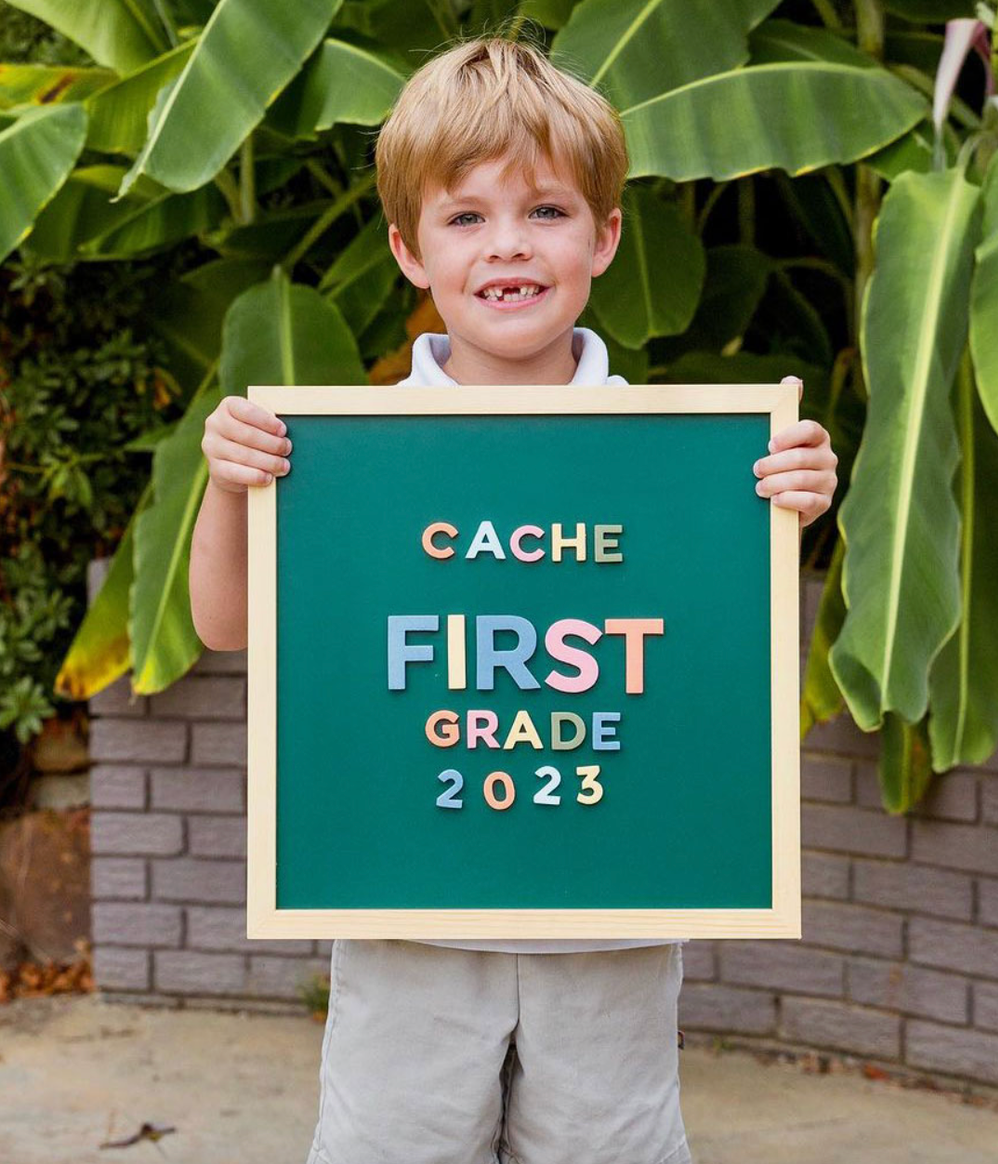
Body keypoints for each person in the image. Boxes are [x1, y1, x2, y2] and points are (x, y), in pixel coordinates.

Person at [190, 33, 838, 1164]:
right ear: (409, 249)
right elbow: (227, 626)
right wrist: (229, 487)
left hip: (611, 930)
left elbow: (706, 650)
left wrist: (788, 506)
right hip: (406, 928)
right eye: (467, 217)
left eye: (545, 212)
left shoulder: (688, 455)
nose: (509, 247)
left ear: (605, 236)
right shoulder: (339, 454)